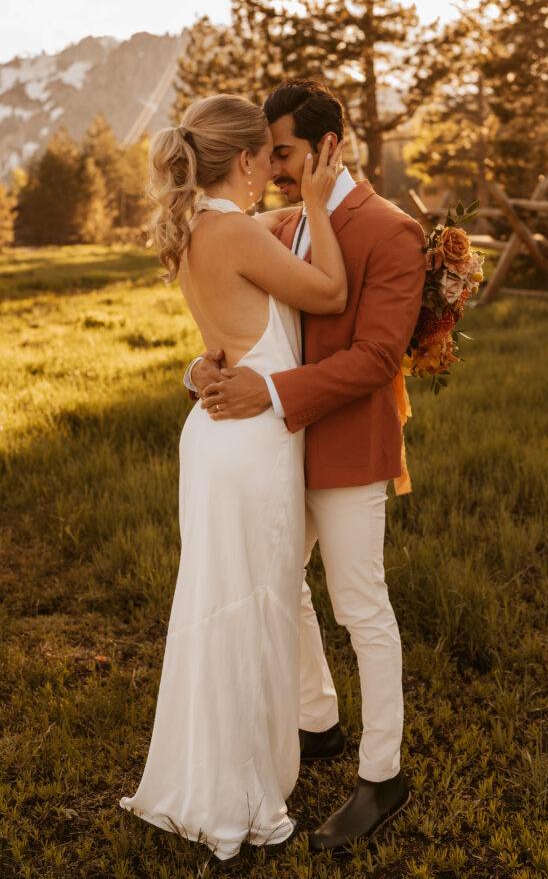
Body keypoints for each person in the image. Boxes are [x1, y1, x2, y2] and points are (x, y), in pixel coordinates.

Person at [188, 79, 426, 852]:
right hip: (276, 454)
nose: (273, 167)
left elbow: (377, 356)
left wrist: (271, 391)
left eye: (283, 151)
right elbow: (249, 321)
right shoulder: (282, 222)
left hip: (349, 451)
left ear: (328, 146)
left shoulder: (391, 231)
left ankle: (382, 774)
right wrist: (211, 369)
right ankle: (317, 719)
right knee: (282, 588)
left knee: (361, 608)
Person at [120, 93, 346, 864]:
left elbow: (220, 341)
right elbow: (330, 294)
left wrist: (196, 368)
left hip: (215, 438)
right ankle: (241, 793)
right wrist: (315, 202)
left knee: (221, 601)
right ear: (245, 160)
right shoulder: (237, 231)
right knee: (254, 604)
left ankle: (210, 772)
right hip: (250, 440)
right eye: (266, 161)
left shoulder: (190, 232)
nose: (271, 176)